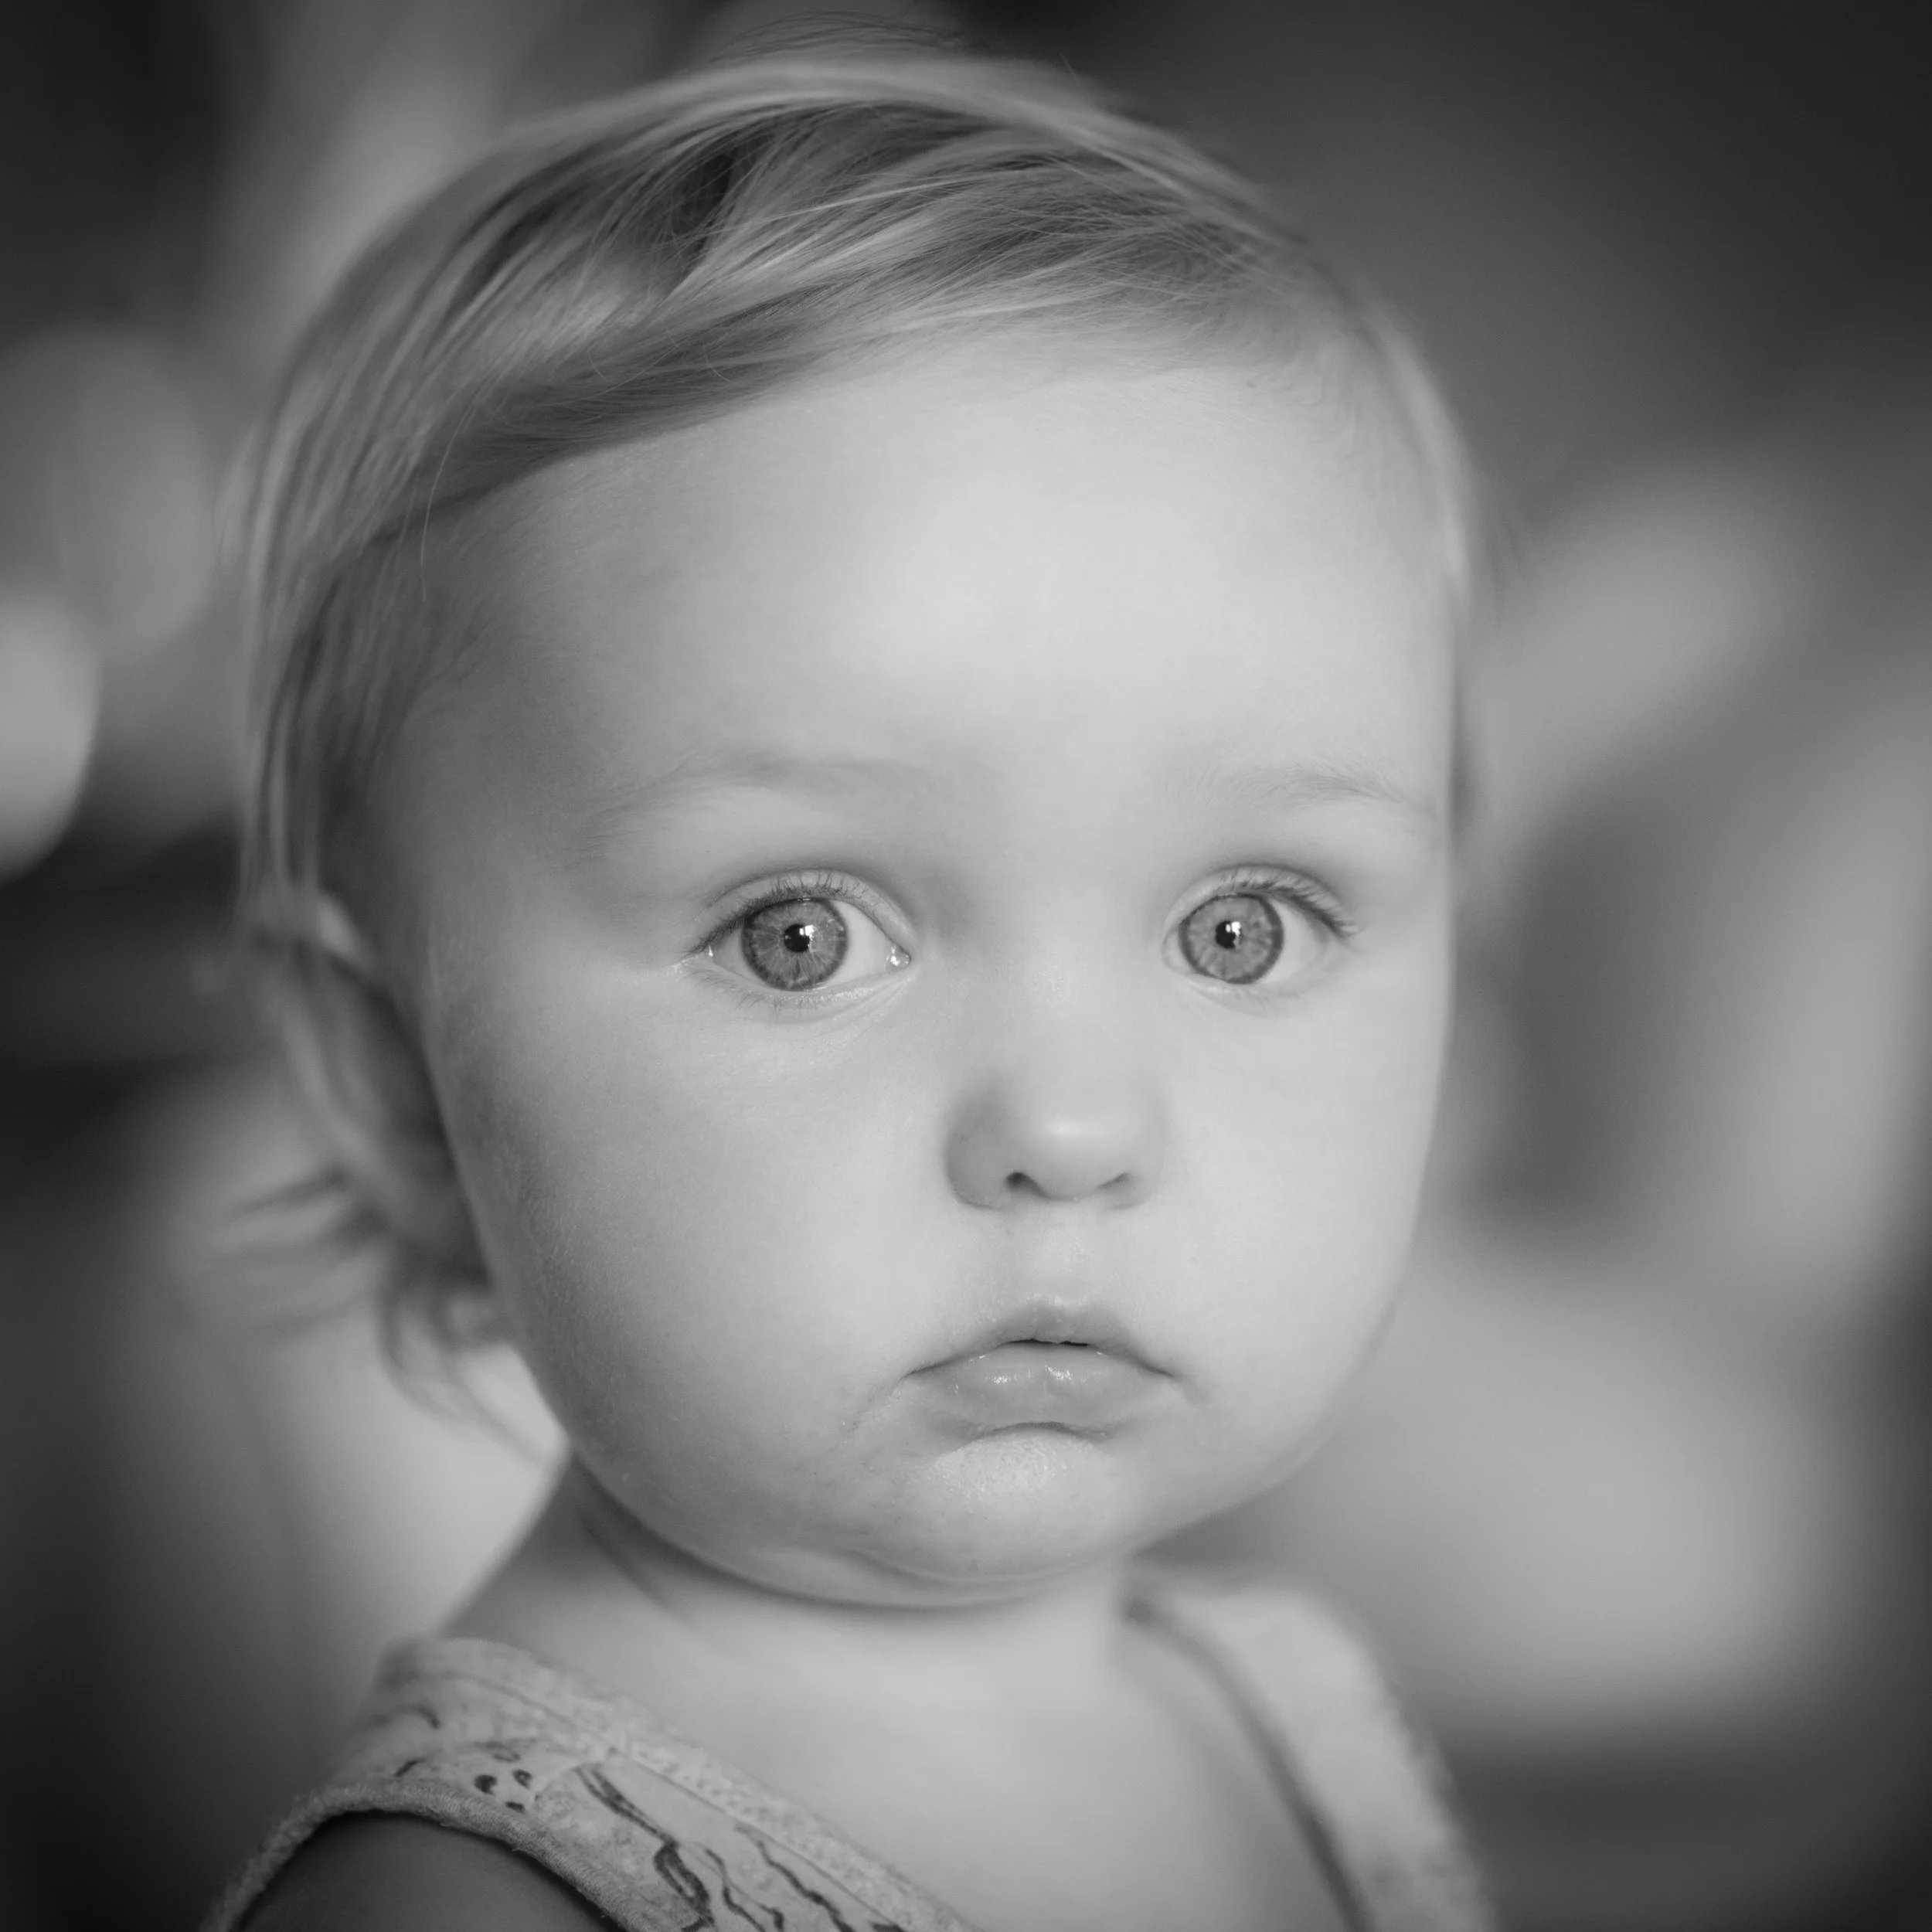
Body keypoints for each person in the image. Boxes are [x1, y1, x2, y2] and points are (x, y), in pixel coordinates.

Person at [208, 42, 1492, 1932]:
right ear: (396, 1073)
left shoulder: (1293, 1701)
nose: (1069, 1124)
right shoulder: (478, 1902)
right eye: (798, 932)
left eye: (1244, 923)